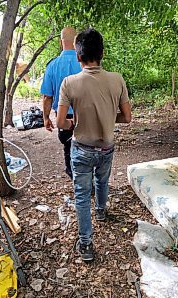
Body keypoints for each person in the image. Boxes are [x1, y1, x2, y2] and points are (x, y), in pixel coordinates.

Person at [56, 28, 132, 262]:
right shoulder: (117, 79)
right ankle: (101, 212)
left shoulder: (69, 83)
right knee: (102, 180)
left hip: (81, 149)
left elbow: (60, 122)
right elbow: (127, 118)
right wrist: (109, 117)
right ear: (102, 53)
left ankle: (86, 244)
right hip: (107, 146)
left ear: (78, 56)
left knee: (81, 195)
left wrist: (74, 121)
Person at [40, 27, 81, 179]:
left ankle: (75, 179)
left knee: (68, 148)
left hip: (63, 117)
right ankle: (89, 182)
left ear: (60, 41)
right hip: (85, 114)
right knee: (88, 147)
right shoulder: (84, 62)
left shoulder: (52, 65)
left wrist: (45, 118)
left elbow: (47, 97)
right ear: (76, 41)